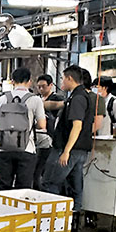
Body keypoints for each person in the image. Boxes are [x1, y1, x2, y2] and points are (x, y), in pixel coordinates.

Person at [42, 64, 95, 213]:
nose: (62, 82)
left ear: (70, 78)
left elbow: (77, 126)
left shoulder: (77, 98)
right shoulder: (82, 96)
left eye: (63, 79)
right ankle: (74, 219)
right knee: (74, 186)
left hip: (69, 150)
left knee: (50, 182)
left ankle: (52, 218)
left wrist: (66, 151)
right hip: (80, 150)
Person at [0, 67, 46, 190]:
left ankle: (3, 209)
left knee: (3, 187)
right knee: (23, 188)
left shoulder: (3, 99)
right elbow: (42, 125)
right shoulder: (35, 100)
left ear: (13, 81)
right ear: (29, 81)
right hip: (26, 149)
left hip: (4, 149)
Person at [34, 74, 62, 190]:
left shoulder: (57, 99)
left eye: (43, 86)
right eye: (39, 86)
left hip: (50, 138)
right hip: (36, 138)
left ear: (51, 85)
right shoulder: (36, 99)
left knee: (44, 168)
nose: (41, 89)